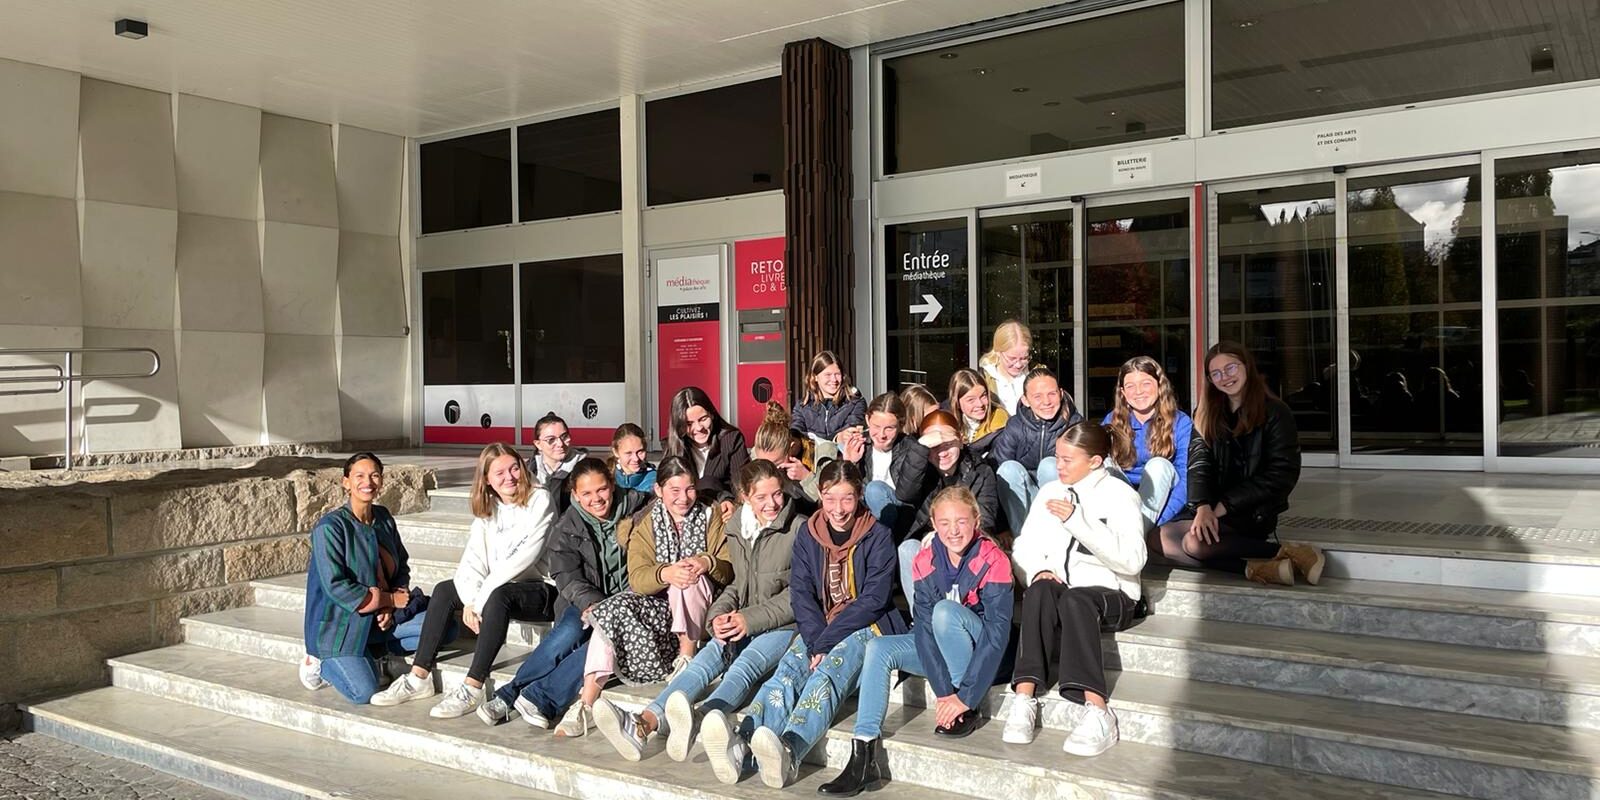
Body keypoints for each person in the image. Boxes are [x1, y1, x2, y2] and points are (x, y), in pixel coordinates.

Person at [699, 461, 906, 789]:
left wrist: (824, 642)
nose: (838, 509)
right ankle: (743, 742)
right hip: (819, 625)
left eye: (847, 498)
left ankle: (789, 750)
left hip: (867, 625)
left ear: (859, 496)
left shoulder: (877, 536)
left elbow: (873, 600)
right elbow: (802, 592)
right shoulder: (810, 533)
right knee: (788, 671)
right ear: (820, 495)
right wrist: (814, 639)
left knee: (827, 673)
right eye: (830, 498)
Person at [593, 460, 803, 762]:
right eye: (761, 497)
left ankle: (701, 717)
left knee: (743, 667)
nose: (772, 504)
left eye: (777, 494)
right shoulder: (738, 527)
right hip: (741, 617)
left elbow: (799, 594)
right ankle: (643, 723)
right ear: (745, 496)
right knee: (703, 663)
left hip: (784, 626)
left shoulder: (798, 529)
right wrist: (718, 616)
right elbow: (737, 583)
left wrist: (748, 619)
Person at [819, 485, 1014, 795]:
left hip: (982, 653)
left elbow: (996, 633)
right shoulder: (925, 559)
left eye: (962, 521)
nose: (953, 530)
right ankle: (864, 752)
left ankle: (966, 709)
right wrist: (942, 692)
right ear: (934, 524)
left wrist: (963, 697)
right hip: (943, 652)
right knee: (878, 647)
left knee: (945, 612)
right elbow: (923, 630)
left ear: (976, 521)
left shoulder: (994, 559)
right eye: (945, 523)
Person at [369, 443, 557, 717]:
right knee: (446, 590)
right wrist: (470, 600)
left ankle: (473, 686)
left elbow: (523, 558)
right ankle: (419, 676)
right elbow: (473, 559)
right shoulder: (490, 506)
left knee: (498, 597)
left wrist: (478, 601)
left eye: (514, 468)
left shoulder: (540, 499)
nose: (510, 477)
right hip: (499, 587)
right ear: (487, 479)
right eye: (500, 473)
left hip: (541, 589)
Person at [1003, 422, 1147, 757]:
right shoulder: (1050, 492)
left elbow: (1132, 561)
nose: (1059, 466)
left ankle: (1098, 710)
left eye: (1068, 459)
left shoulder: (1120, 495)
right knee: (1039, 590)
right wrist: (1037, 570)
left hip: (1113, 595)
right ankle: (1024, 697)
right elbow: (1024, 545)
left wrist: (1077, 521)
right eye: (1057, 457)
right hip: (1064, 591)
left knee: (1076, 599)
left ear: (1095, 461)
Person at [477, 458, 651, 732]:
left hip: (625, 604)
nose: (596, 499)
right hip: (583, 599)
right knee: (568, 633)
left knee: (599, 643)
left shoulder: (637, 507)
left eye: (602, 489)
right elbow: (565, 574)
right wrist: (591, 602)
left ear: (612, 485)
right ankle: (510, 693)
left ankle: (540, 698)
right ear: (576, 495)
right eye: (587, 493)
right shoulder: (567, 526)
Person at [572, 456, 733, 735]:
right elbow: (638, 578)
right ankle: (586, 702)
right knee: (609, 611)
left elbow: (728, 566)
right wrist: (665, 573)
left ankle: (687, 657)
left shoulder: (711, 515)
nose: (684, 498)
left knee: (688, 577)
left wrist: (706, 562)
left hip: (705, 608)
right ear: (659, 490)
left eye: (690, 489)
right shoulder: (645, 523)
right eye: (674, 490)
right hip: (661, 610)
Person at [1152, 341, 1321, 586]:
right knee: (1157, 538)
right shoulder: (1205, 412)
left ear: (1246, 366)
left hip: (1252, 511)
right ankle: (1259, 568)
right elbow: (1198, 463)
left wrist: (1221, 507)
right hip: (1212, 507)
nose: (1225, 377)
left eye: (1231, 368)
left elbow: (1281, 475)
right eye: (1216, 373)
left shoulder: (1276, 412)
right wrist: (1202, 506)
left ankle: (1284, 551)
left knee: (1195, 544)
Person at [300, 453, 432, 704]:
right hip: (340, 626)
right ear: (346, 482)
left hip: (380, 618)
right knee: (364, 692)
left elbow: (401, 565)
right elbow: (336, 587)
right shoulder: (330, 527)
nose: (368, 482)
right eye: (359, 476)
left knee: (444, 629)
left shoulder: (383, 518)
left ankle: (375, 652)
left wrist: (390, 605)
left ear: (381, 481)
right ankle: (319, 662)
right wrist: (388, 600)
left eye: (374, 475)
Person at [899, 410, 1000, 606]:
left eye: (948, 444)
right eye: (933, 446)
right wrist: (921, 448)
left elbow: (986, 520)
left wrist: (942, 536)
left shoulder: (981, 471)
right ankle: (922, 618)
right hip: (927, 544)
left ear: (961, 441)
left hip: (965, 541)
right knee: (907, 548)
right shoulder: (920, 469)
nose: (942, 452)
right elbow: (904, 494)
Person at [1102, 356, 1192, 527]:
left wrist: (1159, 520)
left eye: (1145, 384)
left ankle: (1140, 529)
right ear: (1123, 393)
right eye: (1130, 386)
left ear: (1160, 386)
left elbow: (1187, 478)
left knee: (1158, 465)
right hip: (1125, 494)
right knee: (1102, 462)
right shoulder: (1112, 421)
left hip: (1162, 494)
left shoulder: (1181, 422)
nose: (1138, 391)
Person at [991, 367, 1083, 533]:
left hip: (1061, 500)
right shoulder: (1015, 425)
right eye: (1037, 396)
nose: (1046, 402)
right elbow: (1001, 471)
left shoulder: (1074, 424)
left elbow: (1083, 469)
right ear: (1025, 400)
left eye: (1052, 394)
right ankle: (1022, 535)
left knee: (1050, 465)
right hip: (1025, 498)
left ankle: (1056, 532)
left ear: (1061, 394)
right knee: (1007, 468)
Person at [840, 392, 932, 538]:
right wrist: (850, 463)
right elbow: (844, 492)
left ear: (901, 425)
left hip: (901, 517)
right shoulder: (859, 445)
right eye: (876, 426)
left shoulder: (910, 449)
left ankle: (882, 540)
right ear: (867, 420)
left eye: (889, 428)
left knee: (875, 490)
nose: (881, 435)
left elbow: (909, 496)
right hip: (866, 517)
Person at [665, 386, 749, 506]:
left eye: (703, 419)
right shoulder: (674, 446)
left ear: (712, 414)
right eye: (689, 424)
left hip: (722, 507)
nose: (699, 428)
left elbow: (741, 486)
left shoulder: (731, 440)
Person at [790, 351, 867, 462]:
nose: (834, 380)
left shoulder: (855, 403)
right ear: (815, 377)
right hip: (811, 464)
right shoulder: (802, 406)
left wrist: (839, 438)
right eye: (828, 375)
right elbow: (797, 435)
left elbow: (852, 432)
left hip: (841, 463)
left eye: (837, 374)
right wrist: (836, 438)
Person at [749, 401, 819, 517]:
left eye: (776, 463)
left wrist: (806, 478)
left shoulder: (816, 453)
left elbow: (828, 501)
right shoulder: (757, 454)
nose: (769, 470)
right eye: (763, 463)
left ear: (791, 448)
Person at [948, 367, 1009, 461]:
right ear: (957, 403)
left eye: (983, 396)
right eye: (971, 400)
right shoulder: (948, 423)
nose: (980, 404)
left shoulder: (999, 421)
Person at [978, 320, 1034, 416]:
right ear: (997, 352)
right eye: (1012, 358)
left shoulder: (1036, 374)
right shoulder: (983, 379)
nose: (1018, 365)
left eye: (1024, 358)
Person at [531, 412, 587, 507]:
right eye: (551, 440)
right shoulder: (529, 470)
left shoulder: (585, 469)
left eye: (564, 437)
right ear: (538, 444)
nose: (560, 444)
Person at [611, 423, 657, 492]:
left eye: (640, 452)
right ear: (616, 452)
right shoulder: (605, 478)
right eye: (628, 453)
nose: (636, 459)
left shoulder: (654, 480)